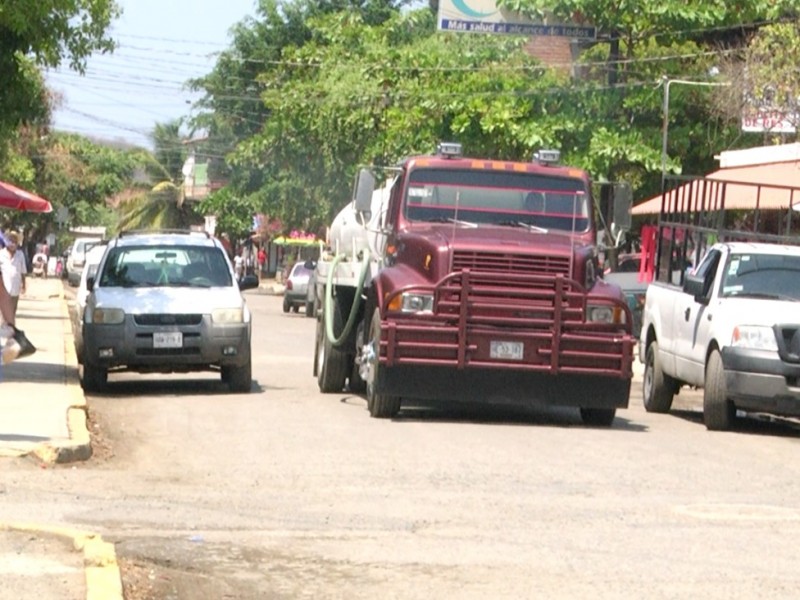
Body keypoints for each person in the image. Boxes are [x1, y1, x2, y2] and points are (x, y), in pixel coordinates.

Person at [0, 231, 27, 322]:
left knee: (12, 313)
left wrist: (24, 285)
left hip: (15, 289)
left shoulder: (20, 255)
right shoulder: (1, 254)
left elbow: (23, 271)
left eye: (14, 242)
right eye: (10, 241)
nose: (12, 244)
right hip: (3, 290)